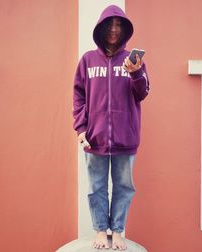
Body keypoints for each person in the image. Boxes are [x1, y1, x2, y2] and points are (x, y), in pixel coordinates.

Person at [73, 5, 149, 250]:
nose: (114, 30)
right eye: (110, 25)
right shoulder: (87, 60)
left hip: (125, 138)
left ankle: (117, 231)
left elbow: (142, 93)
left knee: (124, 187)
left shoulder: (133, 61)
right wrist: (80, 128)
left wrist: (136, 74)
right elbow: (78, 96)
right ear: (101, 29)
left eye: (119, 25)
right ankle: (99, 230)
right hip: (94, 138)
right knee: (96, 187)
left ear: (124, 29)